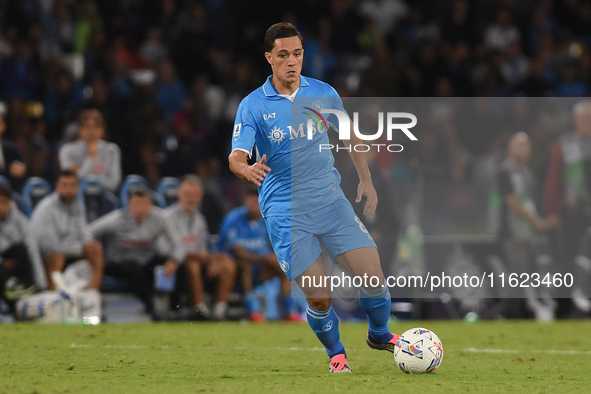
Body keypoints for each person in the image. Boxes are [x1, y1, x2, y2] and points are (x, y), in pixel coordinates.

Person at [228, 22, 397, 373]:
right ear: (269, 58)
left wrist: (366, 180)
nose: (292, 61)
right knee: (320, 296)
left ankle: (379, 334)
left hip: (330, 201)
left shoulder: (322, 93)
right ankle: (336, 354)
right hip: (286, 212)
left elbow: (350, 137)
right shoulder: (254, 106)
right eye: (284, 55)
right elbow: (236, 155)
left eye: (298, 54)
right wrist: (246, 170)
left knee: (373, 277)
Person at [89, 185, 186, 317]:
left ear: (151, 205)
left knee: (179, 265)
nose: (140, 208)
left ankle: (175, 310)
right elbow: (89, 232)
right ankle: (152, 309)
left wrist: (174, 261)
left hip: (145, 262)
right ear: (129, 205)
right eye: (136, 204)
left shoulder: (160, 218)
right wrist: (94, 246)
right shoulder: (117, 219)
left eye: (144, 204)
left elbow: (179, 244)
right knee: (134, 268)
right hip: (118, 263)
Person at [496, 132, 556, 320]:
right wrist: (535, 219)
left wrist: (541, 220)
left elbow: (530, 202)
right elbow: (511, 201)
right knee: (518, 274)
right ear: (510, 148)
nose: (524, 149)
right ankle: (509, 314)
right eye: (520, 145)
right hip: (512, 233)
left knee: (528, 274)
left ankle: (520, 312)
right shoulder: (503, 171)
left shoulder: (528, 174)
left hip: (528, 233)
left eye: (527, 145)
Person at [218, 186, 301, 323]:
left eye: (257, 202)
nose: (254, 206)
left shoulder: (268, 219)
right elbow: (238, 252)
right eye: (251, 202)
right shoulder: (233, 219)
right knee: (247, 266)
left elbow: (277, 244)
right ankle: (253, 311)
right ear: (245, 201)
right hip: (236, 266)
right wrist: (265, 258)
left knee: (287, 265)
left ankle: (289, 310)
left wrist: (277, 258)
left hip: (262, 266)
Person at [163, 175, 236, 320]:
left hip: (199, 260)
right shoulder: (168, 217)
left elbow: (202, 246)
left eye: (195, 195)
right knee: (193, 263)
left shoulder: (200, 219)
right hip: (176, 264)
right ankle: (199, 308)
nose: (191, 198)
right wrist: (199, 254)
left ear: (200, 197)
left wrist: (206, 255)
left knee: (226, 261)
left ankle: (220, 309)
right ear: (179, 195)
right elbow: (177, 246)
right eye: (187, 194)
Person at [544, 99, 591, 316]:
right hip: (572, 213)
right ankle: (560, 308)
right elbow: (553, 181)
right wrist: (552, 211)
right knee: (566, 260)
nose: (586, 122)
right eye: (582, 119)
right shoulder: (564, 145)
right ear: (574, 121)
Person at [30, 170, 104, 291]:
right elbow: (50, 246)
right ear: (57, 186)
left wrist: (88, 247)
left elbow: (86, 237)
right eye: (64, 185)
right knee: (56, 257)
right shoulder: (46, 208)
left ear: (78, 187)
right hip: (45, 257)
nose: (69, 190)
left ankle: (93, 293)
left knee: (95, 249)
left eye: (72, 186)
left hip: (70, 253)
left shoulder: (79, 207)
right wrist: (80, 249)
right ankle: (53, 295)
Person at [0, 184, 44, 305]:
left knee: (21, 250)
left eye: (3, 202)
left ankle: (25, 293)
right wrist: (3, 263)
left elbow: (33, 250)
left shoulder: (20, 221)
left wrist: (41, 282)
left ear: (10, 203)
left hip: (14, 267)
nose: (0, 207)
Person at [58, 109, 121, 193]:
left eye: (96, 126)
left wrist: (82, 171)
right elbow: (70, 184)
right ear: (80, 130)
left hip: (104, 198)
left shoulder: (112, 150)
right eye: (87, 126)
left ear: (102, 130)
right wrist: (90, 158)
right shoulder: (67, 150)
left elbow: (114, 184)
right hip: (76, 198)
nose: (92, 131)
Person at [0, 113, 27, 190]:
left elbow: (22, 174)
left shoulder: (12, 150)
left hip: (10, 196)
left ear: (3, 126)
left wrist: (21, 172)